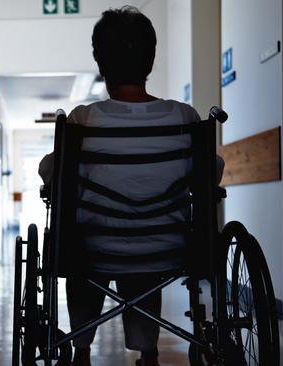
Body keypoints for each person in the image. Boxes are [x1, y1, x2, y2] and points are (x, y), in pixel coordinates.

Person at [38, 6, 223, 366]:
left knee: (81, 257)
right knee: (143, 267)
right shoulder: (183, 117)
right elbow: (210, 173)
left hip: (95, 248)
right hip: (167, 247)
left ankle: (81, 349)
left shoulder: (83, 120)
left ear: (100, 63)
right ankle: (148, 351)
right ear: (150, 60)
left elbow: (55, 175)